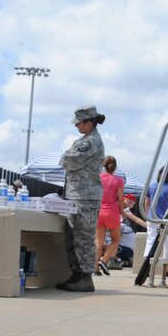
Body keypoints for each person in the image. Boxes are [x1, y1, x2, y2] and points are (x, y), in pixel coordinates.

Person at [55, 105, 105, 292]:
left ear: (88, 123)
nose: (77, 127)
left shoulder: (90, 142)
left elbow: (70, 160)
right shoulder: (86, 139)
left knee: (83, 237)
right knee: (74, 236)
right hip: (79, 196)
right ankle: (77, 274)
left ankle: (84, 277)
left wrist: (65, 156)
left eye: (79, 123)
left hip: (85, 198)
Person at [145, 166, 168, 279]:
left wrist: (147, 216)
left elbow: (147, 203)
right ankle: (167, 269)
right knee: (167, 244)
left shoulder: (152, 186)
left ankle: (147, 267)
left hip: (153, 217)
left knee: (150, 241)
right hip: (167, 218)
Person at [94, 156, 124, 275]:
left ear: (103, 165)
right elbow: (121, 199)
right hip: (112, 212)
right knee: (116, 240)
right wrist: (122, 211)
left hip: (99, 212)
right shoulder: (118, 180)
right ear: (115, 166)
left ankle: (95, 268)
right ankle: (104, 260)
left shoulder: (98, 178)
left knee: (98, 241)